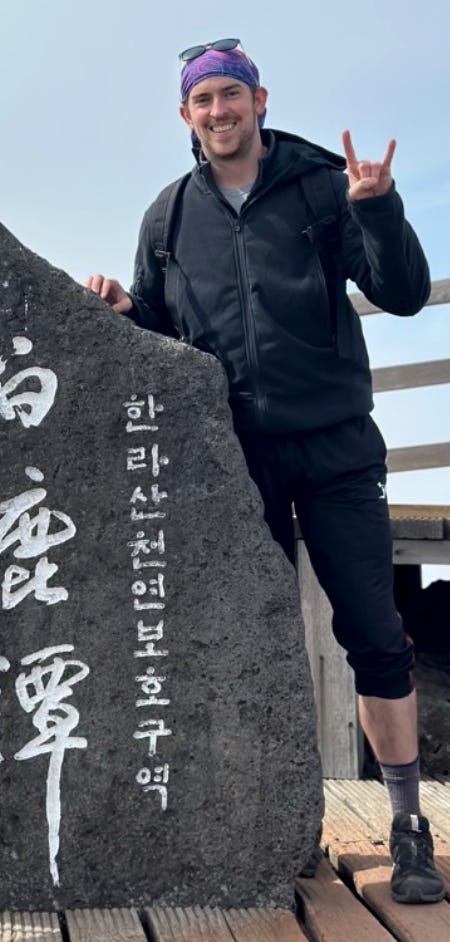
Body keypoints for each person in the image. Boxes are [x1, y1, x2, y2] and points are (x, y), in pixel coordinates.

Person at [85, 40, 443, 904]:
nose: (219, 111)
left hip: (336, 450)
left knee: (375, 635)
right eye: (203, 99)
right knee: (252, 646)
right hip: (233, 461)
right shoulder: (166, 218)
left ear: (260, 100)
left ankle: (406, 823)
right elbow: (166, 340)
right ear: (186, 116)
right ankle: (280, 820)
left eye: (231, 95)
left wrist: (380, 208)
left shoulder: (323, 186)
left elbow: (401, 292)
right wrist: (129, 312)